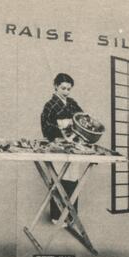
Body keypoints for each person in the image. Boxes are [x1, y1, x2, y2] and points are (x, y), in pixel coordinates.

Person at [40, 73, 83, 225]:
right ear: (56, 86)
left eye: (69, 89)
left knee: (73, 178)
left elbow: (82, 118)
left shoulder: (72, 103)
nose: (66, 92)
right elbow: (46, 126)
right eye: (63, 88)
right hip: (58, 144)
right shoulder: (50, 105)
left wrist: (75, 124)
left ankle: (71, 215)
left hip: (73, 144)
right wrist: (63, 126)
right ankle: (57, 215)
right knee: (59, 179)